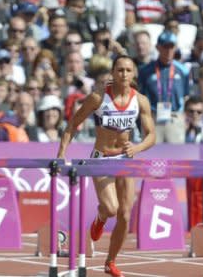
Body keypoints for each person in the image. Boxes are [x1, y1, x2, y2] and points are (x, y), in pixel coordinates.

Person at [56, 55, 155, 277]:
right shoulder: (98, 98)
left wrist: (137, 148)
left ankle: (110, 262)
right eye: (119, 70)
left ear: (134, 74)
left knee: (126, 215)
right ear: (113, 72)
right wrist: (61, 154)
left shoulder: (140, 100)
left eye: (128, 70)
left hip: (125, 159)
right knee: (111, 208)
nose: (124, 74)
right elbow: (73, 124)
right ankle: (101, 218)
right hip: (101, 158)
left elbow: (151, 136)